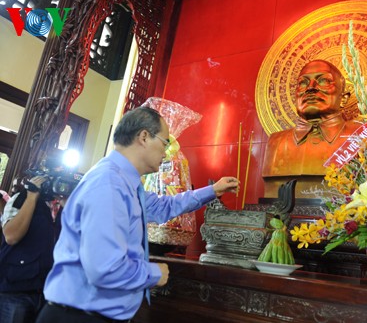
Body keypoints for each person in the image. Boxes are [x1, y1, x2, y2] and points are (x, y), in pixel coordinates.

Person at [35, 107, 239, 323]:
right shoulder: (109, 185)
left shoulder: (126, 182)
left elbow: (163, 206)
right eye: (165, 143)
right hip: (78, 317)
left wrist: (213, 190)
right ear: (143, 137)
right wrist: (154, 274)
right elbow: (105, 268)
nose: (166, 152)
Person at [262, 59, 361, 197]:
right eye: (303, 83)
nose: (311, 87)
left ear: (343, 98)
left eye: (324, 81)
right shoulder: (276, 141)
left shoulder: (361, 136)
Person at [0, 154, 66, 323]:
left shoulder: (67, 206)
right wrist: (31, 197)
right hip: (16, 288)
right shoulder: (20, 199)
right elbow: (11, 236)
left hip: (49, 291)